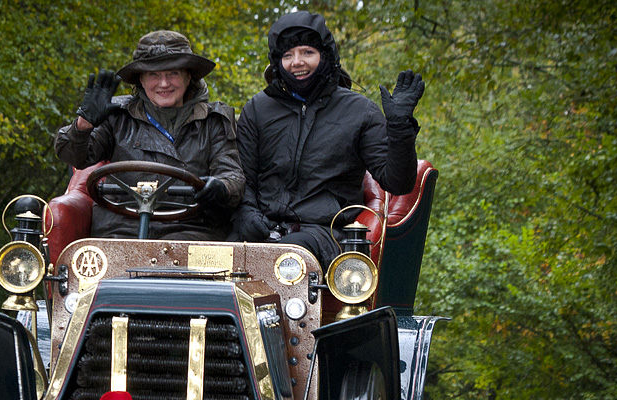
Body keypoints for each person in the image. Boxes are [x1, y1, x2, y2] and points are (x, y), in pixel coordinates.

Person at [230, 11, 426, 265]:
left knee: (287, 255)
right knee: (213, 256)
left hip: (327, 233)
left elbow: (397, 183)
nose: (296, 62)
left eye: (307, 52)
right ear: (277, 62)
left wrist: (400, 127)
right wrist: (247, 214)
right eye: (287, 55)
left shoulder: (360, 111)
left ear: (325, 56)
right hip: (262, 226)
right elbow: (243, 176)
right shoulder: (257, 109)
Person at [54, 30, 244, 240]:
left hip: (191, 230)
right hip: (120, 229)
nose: (164, 84)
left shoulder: (214, 120)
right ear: (141, 80)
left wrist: (221, 187)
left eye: (173, 73)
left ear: (188, 76)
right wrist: (84, 123)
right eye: (153, 74)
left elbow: (232, 177)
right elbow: (74, 157)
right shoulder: (116, 115)